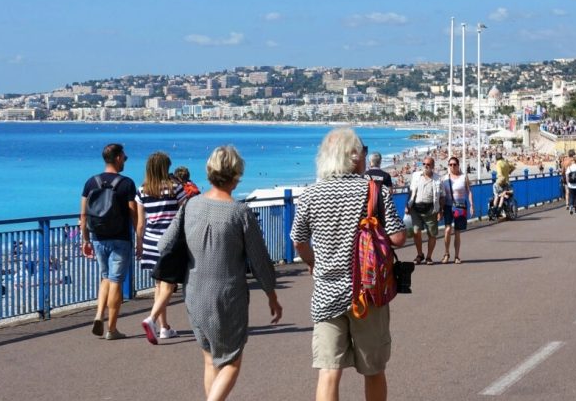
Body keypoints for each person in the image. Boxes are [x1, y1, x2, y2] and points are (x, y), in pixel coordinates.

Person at [158, 145, 282, 400]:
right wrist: (272, 295)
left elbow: (164, 245)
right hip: (228, 297)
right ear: (236, 175)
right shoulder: (240, 213)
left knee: (209, 360)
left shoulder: (190, 206)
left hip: (194, 293)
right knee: (232, 361)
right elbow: (260, 261)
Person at [290, 128, 406, 401]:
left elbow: (298, 241)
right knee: (374, 370)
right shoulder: (372, 191)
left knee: (329, 371)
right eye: (362, 151)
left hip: (326, 295)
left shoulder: (310, 194)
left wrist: (313, 262)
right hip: (368, 294)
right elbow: (398, 237)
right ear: (353, 156)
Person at [80, 143, 137, 340]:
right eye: (125, 157)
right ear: (118, 158)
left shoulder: (91, 182)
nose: (126, 160)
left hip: (98, 237)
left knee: (105, 277)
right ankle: (112, 329)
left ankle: (98, 315)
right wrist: (139, 239)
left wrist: (85, 239)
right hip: (120, 238)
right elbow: (133, 214)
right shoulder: (127, 183)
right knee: (115, 282)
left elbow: (84, 214)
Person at [136, 152, 186, 344]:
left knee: (159, 284)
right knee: (169, 284)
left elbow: (141, 223)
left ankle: (164, 327)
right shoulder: (176, 188)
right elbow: (184, 214)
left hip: (150, 241)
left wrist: (139, 244)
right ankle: (152, 319)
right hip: (170, 241)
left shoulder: (142, 190)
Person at [406, 156, 443, 265]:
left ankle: (429, 257)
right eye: (424, 164)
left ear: (433, 166)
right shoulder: (416, 176)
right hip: (416, 208)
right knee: (416, 232)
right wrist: (406, 205)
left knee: (432, 234)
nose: (426, 166)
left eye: (428, 164)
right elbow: (411, 191)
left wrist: (441, 211)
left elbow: (442, 196)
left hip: (431, 209)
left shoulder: (438, 179)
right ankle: (419, 254)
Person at [441, 156, 474, 264]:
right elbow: (441, 195)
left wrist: (472, 205)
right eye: (450, 164)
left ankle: (457, 256)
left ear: (458, 165)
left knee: (457, 232)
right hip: (448, 206)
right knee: (447, 230)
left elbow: (469, 191)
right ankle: (446, 253)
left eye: (454, 164)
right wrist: (439, 209)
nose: (452, 166)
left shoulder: (464, 177)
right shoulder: (444, 178)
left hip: (460, 206)